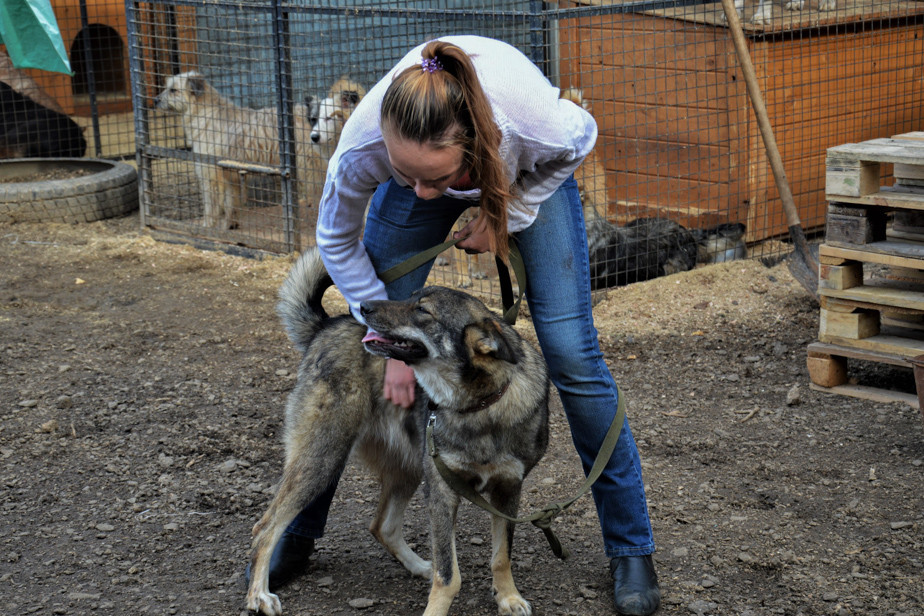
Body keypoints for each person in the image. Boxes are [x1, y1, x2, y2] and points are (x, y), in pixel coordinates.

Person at [264, 35, 660, 615]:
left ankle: (631, 547)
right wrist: (392, 349)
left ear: (471, 143)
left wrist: (509, 214)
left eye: (436, 179)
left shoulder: (532, 123)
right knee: (360, 349)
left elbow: (582, 136)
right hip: (437, 158)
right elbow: (335, 242)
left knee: (572, 352)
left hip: (518, 174)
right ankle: (297, 530)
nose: (425, 195)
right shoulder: (366, 148)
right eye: (406, 173)